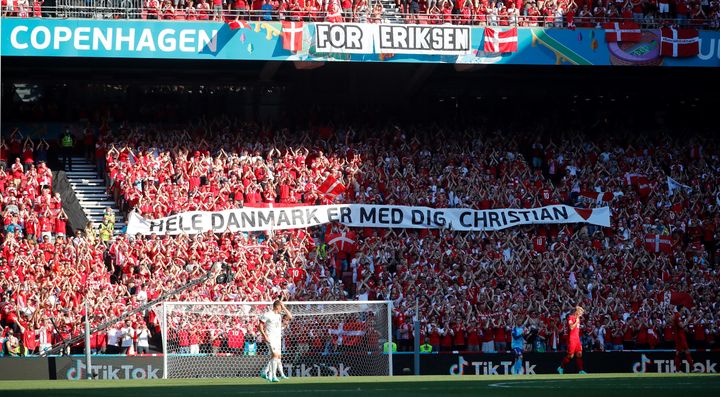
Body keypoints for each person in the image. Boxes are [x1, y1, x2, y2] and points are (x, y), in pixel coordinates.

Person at [259, 300, 292, 382]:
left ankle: (265, 372)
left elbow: (290, 317)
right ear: (277, 306)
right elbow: (260, 325)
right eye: (281, 306)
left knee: (275, 357)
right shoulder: (267, 314)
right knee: (275, 355)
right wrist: (264, 335)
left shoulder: (279, 316)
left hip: (277, 339)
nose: (282, 309)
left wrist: (284, 307)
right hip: (270, 338)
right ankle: (273, 376)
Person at [557, 306, 587, 374]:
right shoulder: (570, 317)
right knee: (571, 355)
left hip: (577, 339)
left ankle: (581, 370)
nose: (581, 314)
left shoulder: (578, 318)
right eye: (580, 312)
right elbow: (571, 327)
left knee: (579, 354)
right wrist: (576, 322)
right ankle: (561, 367)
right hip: (572, 338)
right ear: (576, 311)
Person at [673, 306, 695, 373]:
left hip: (680, 336)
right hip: (680, 337)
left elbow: (682, 327)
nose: (685, 308)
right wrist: (688, 320)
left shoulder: (678, 316)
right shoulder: (678, 316)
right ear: (681, 309)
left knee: (679, 352)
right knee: (685, 351)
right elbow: (681, 326)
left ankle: (678, 370)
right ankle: (692, 368)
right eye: (683, 308)